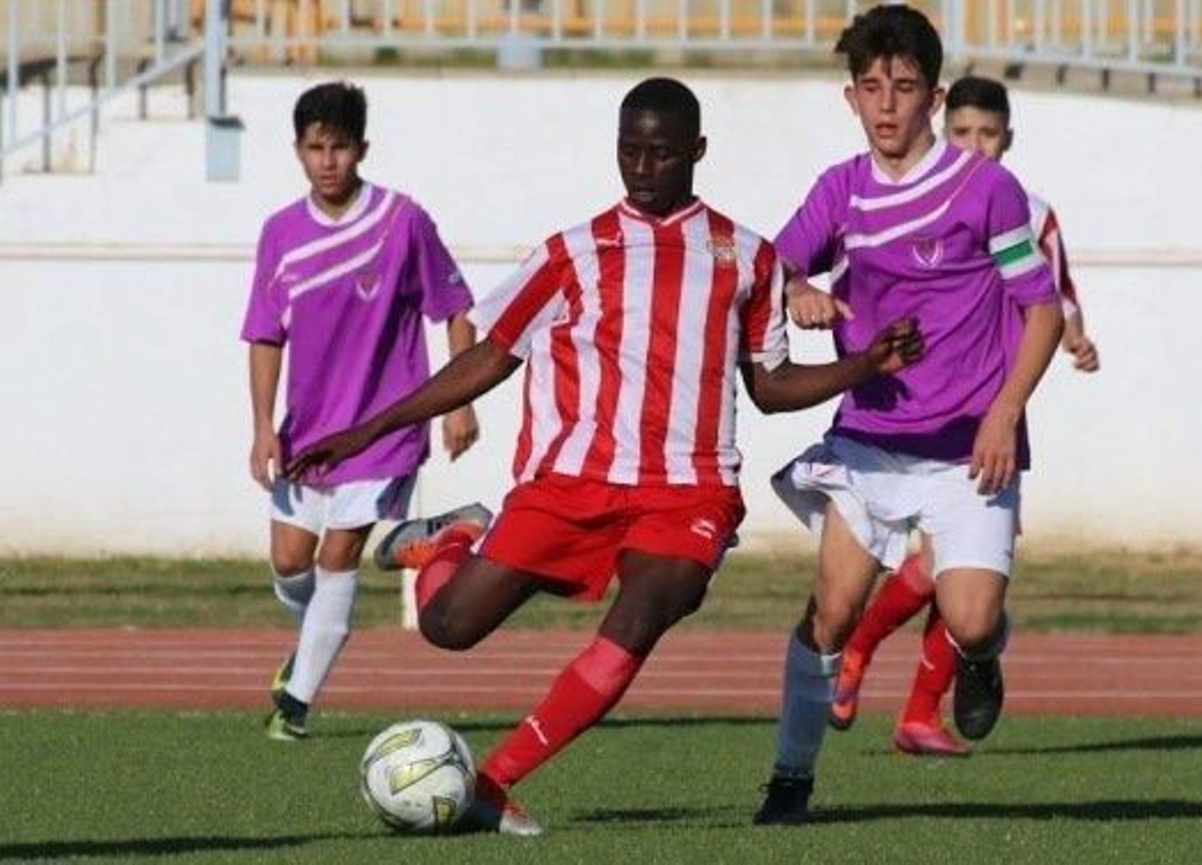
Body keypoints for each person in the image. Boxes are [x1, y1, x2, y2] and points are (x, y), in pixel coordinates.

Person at [284, 77, 925, 837]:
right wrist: (369, 428)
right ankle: (455, 538)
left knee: (653, 605)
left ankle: (494, 780)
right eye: (630, 151)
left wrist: (862, 367)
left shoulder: (747, 259)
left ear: (697, 152)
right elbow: (489, 357)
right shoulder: (569, 255)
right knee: (448, 628)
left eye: (661, 152)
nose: (643, 167)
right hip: (571, 481)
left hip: (689, 489)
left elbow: (770, 385)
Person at [755, 6, 1065, 825]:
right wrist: (797, 288)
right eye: (870, 87)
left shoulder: (984, 189)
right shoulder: (840, 190)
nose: (886, 104)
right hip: (871, 440)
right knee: (833, 608)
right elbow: (772, 265)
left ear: (932, 95)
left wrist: (1005, 413)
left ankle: (982, 654)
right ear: (849, 97)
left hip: (970, 444)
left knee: (970, 617)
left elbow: (1042, 311)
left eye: (903, 87)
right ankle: (790, 777)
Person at [828, 74, 1102, 758]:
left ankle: (918, 693)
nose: (975, 146)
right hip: (908, 414)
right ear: (942, 126)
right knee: (938, 569)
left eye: (989, 135)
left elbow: (1054, 295)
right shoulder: (901, 200)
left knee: (959, 586)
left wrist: (1073, 337)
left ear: (1007, 140)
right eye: (963, 134)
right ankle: (891, 679)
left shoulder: (1025, 210)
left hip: (990, 413)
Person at [242, 80, 481, 742]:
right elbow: (265, 334)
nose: (327, 161)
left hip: (383, 432)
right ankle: (316, 638)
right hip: (308, 434)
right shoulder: (280, 234)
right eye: (315, 147)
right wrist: (264, 425)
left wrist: (458, 401)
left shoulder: (402, 222)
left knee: (338, 555)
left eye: (340, 147)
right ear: (297, 150)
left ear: (362, 148)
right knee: (291, 564)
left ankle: (294, 707)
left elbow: (457, 309)